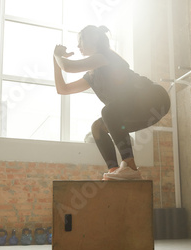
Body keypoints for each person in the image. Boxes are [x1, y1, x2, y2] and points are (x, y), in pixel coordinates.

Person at [53, 25, 170, 180]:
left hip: (153, 98)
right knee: (97, 128)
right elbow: (63, 89)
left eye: (80, 40)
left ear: (92, 40)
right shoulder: (91, 75)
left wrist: (57, 56)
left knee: (108, 112)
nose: (78, 45)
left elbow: (68, 67)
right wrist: (55, 61)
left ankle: (130, 167)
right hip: (137, 107)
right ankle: (115, 170)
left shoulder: (104, 57)